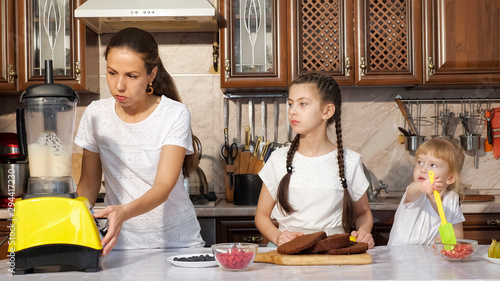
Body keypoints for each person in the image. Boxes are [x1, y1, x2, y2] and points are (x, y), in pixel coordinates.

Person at [75, 27, 204, 257]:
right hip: (119, 246)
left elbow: (163, 187)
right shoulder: (96, 114)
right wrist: (70, 224)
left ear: (151, 75)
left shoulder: (174, 114)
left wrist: (123, 212)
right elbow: (88, 185)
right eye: (112, 73)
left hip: (177, 245)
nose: (119, 86)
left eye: (131, 76)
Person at [255, 73, 375, 249]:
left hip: (333, 252)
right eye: (290, 104)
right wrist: (278, 236)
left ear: (327, 111)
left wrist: (364, 231)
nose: (293, 111)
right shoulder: (278, 159)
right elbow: (261, 216)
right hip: (286, 253)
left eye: (303, 104)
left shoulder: (350, 161)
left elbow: (363, 212)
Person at [388, 137, 465, 245]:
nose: (423, 169)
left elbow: (457, 232)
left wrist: (449, 240)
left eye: (433, 165)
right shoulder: (416, 193)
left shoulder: (451, 200)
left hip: (428, 258)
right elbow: (412, 190)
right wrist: (422, 187)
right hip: (400, 256)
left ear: (450, 178)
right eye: (420, 162)